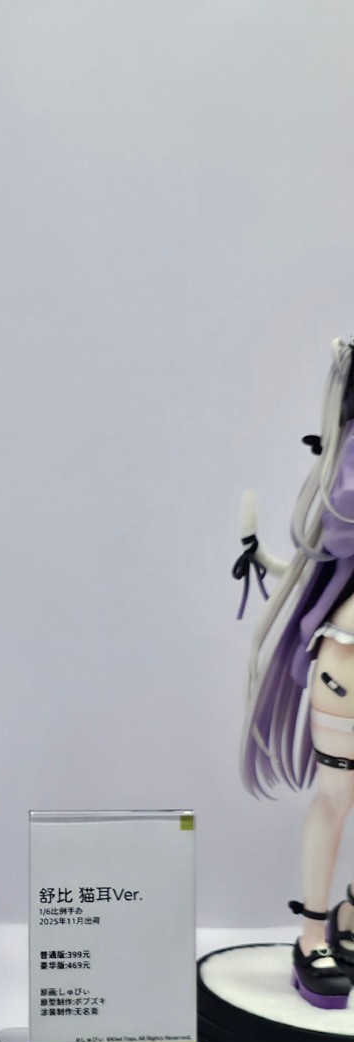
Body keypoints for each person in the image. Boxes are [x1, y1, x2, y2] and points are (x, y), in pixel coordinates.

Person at [237, 337, 354, 1006]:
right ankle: (312, 937)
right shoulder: (350, 465)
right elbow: (335, 532)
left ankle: (349, 917)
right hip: (348, 660)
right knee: (337, 796)